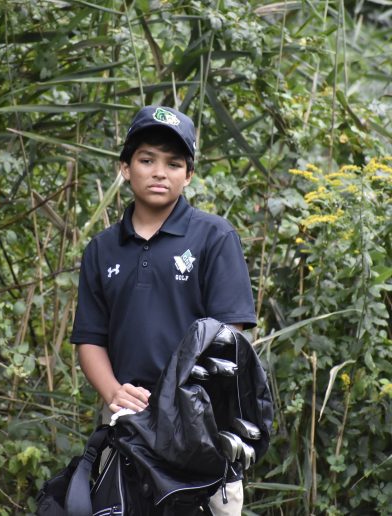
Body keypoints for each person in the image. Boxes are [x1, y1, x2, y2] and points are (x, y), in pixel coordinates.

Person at [70, 105, 257, 515]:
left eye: (174, 163)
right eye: (147, 160)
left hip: (200, 425)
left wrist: (177, 399)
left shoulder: (214, 236)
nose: (160, 172)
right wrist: (113, 392)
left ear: (188, 175)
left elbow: (230, 337)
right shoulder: (102, 249)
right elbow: (89, 339)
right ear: (125, 168)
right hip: (126, 419)